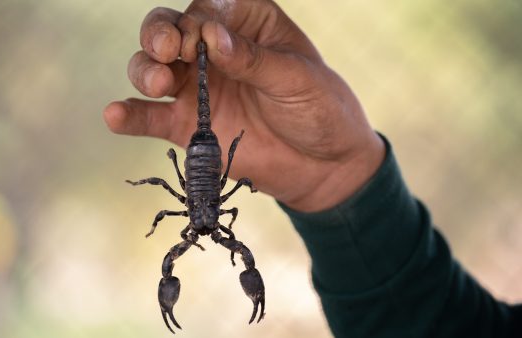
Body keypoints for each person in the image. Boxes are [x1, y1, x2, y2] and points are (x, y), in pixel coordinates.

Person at [103, 0, 522, 336]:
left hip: (200, 166)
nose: (213, 235)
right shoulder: (220, 222)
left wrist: (333, 186)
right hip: (208, 163)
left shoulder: (196, 225)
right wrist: (337, 183)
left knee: (183, 202)